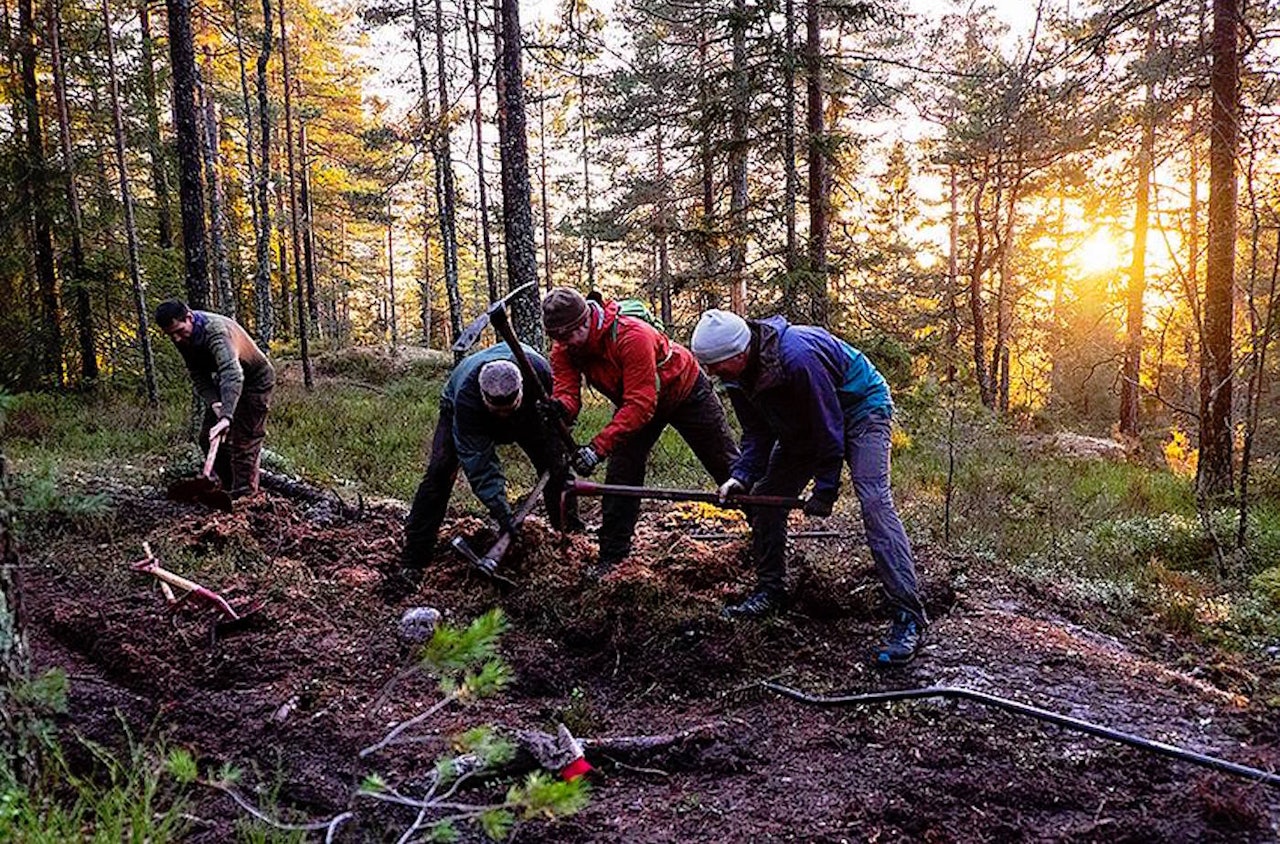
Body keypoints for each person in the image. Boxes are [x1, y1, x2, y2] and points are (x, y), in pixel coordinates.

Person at [690, 308, 927, 665]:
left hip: (861, 407)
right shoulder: (735, 377)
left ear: (738, 354)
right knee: (765, 500)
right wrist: (741, 476)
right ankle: (771, 591)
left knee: (875, 503)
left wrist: (826, 488)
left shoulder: (797, 357)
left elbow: (828, 425)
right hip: (804, 421)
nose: (711, 373)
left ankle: (908, 616)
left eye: (715, 366)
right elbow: (757, 433)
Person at [541, 287, 740, 576]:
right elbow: (568, 392)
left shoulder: (632, 336)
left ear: (585, 320)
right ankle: (612, 558)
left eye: (569, 335)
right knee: (621, 478)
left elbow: (641, 405)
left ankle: (766, 533)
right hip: (633, 400)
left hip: (685, 391)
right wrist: (560, 407)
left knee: (728, 469)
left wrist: (597, 448)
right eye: (558, 338)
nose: (565, 343)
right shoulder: (565, 349)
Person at [401, 342, 576, 572]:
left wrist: (560, 428)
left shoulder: (538, 374)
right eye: (497, 411)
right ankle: (415, 557)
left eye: (508, 409)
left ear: (520, 391)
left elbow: (566, 402)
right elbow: (479, 463)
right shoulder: (467, 400)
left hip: (529, 414)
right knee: (440, 472)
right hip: (460, 406)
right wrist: (502, 513)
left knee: (557, 468)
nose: (503, 416)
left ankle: (570, 537)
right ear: (483, 396)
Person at [155, 299, 275, 498]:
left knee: (244, 441)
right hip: (225, 382)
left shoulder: (217, 332)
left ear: (189, 318)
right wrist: (215, 403)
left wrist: (226, 416)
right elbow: (198, 374)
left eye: (179, 331)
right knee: (207, 438)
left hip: (255, 380)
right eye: (171, 335)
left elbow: (232, 373)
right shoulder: (182, 337)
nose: (176, 338)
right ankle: (228, 489)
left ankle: (246, 499)